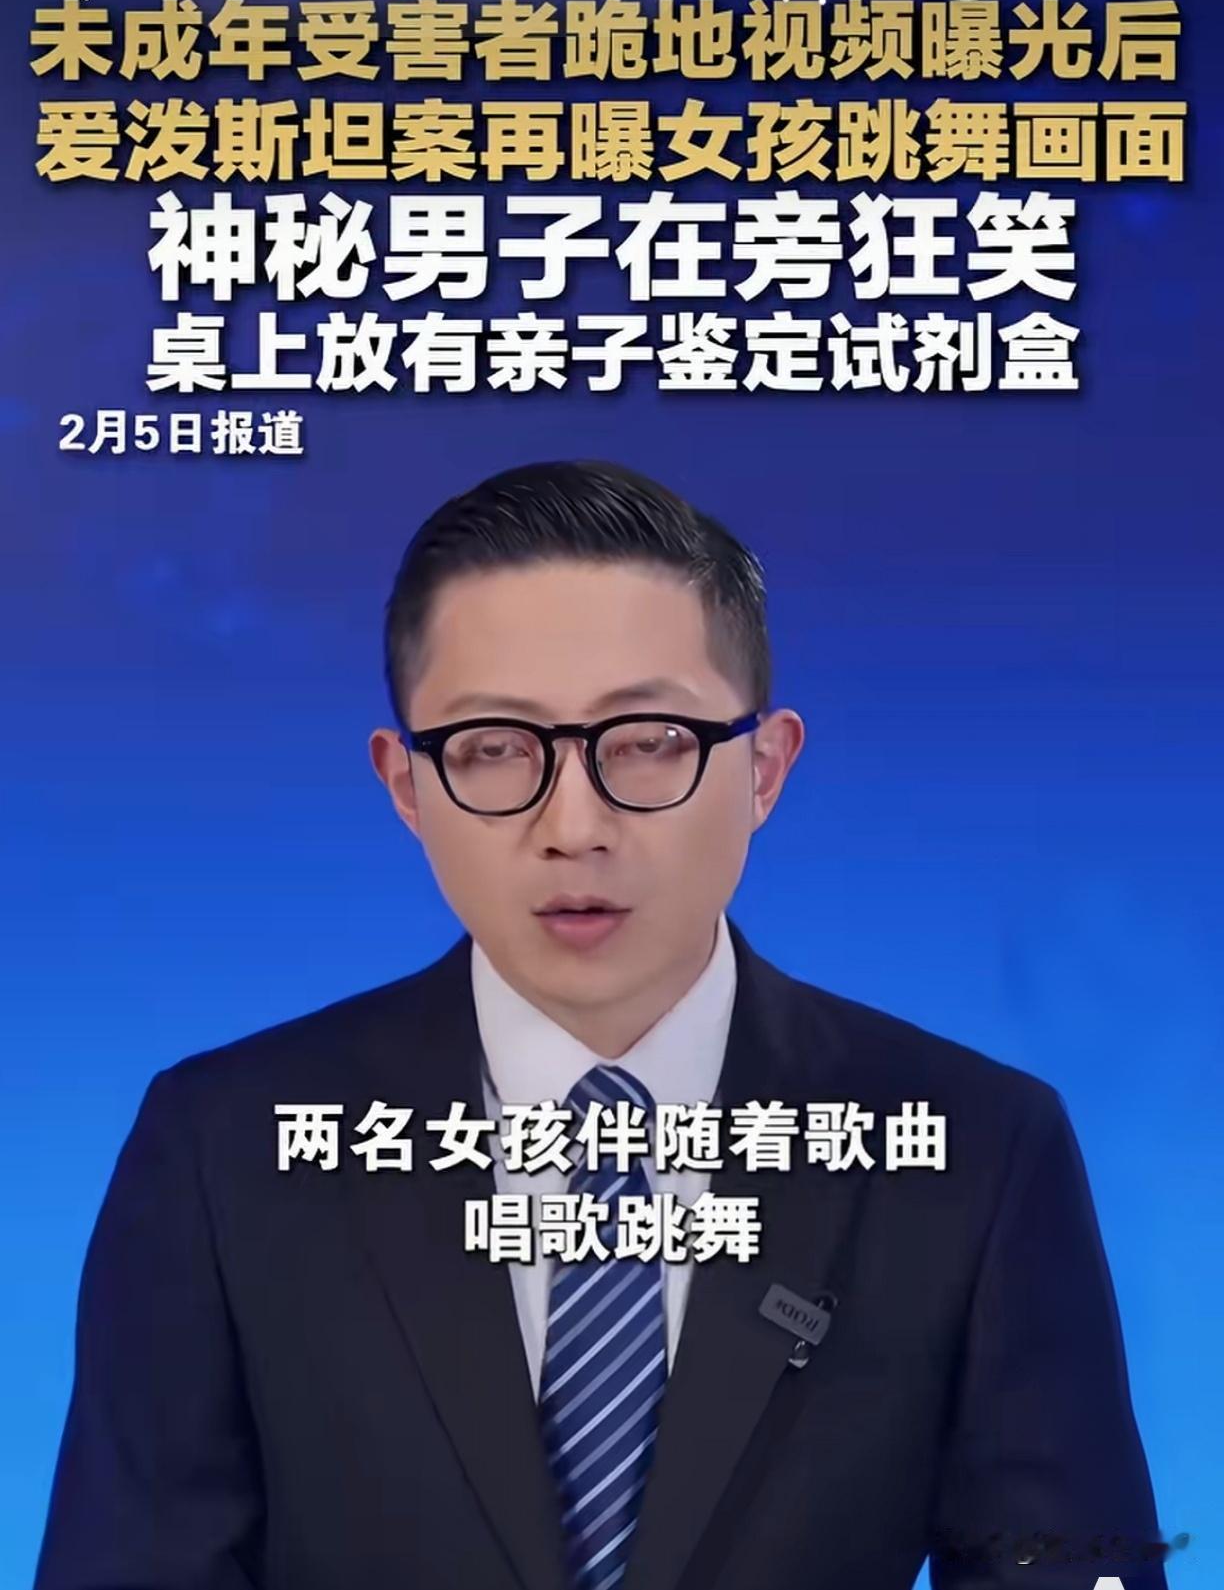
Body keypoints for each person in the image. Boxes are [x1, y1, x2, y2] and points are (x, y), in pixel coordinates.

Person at [35, 460, 1168, 1590]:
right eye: (493, 746)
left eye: (650, 739)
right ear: (406, 785)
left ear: (765, 768)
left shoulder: (977, 1150)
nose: (573, 825)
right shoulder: (226, 1147)